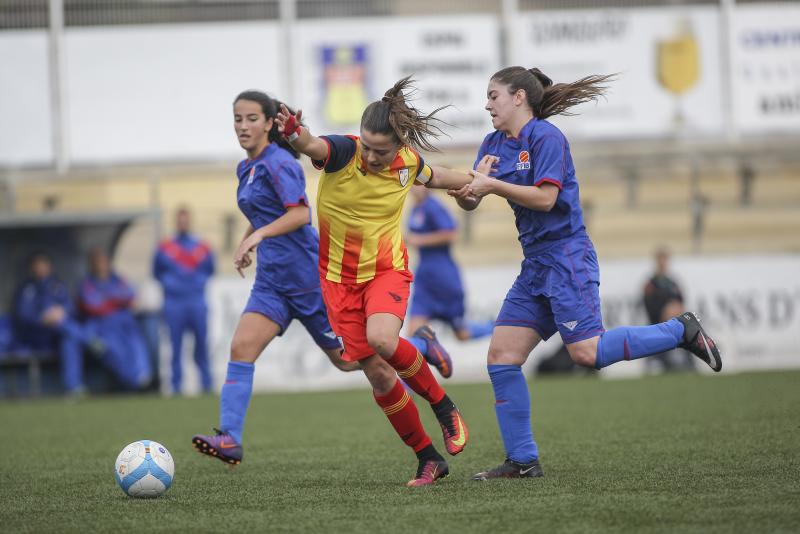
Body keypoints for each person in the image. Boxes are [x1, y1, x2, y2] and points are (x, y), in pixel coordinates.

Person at [448, 67, 722, 481]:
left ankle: (680, 331)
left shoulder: (547, 138)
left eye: (493, 95)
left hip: (566, 257)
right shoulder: (491, 143)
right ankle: (523, 462)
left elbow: (545, 199)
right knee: (502, 356)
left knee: (586, 354)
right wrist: (467, 194)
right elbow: (473, 197)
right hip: (535, 264)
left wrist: (489, 185)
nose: (486, 104)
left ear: (519, 97)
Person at [275, 76, 476, 486]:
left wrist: (481, 182)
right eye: (366, 145)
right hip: (337, 282)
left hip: (385, 271)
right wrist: (296, 133)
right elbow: (315, 145)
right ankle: (428, 458)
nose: (369, 155)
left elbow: (439, 177)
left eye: (379, 150)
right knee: (379, 374)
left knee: (384, 341)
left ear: (399, 146)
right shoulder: (345, 152)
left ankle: (443, 407)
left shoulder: (407, 164)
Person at [191, 90, 359, 467]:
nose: (243, 126)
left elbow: (299, 214)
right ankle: (230, 438)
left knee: (348, 361)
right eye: (237, 118)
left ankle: (420, 346)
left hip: (308, 278)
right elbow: (263, 210)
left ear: (269, 123)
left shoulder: (280, 162)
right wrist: (248, 239)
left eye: (252, 118)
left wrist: (258, 235)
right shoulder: (245, 168)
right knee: (241, 349)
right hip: (272, 284)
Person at [404, 185, 495, 370]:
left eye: (418, 184)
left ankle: (496, 327)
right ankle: (408, 390)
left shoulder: (434, 207)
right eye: (412, 184)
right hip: (424, 279)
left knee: (462, 334)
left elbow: (451, 233)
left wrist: (419, 240)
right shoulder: (414, 209)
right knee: (412, 337)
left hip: (444, 279)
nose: (415, 188)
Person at [11, 252, 103, 395]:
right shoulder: (27, 289)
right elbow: (23, 315)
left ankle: (73, 387)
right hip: (36, 334)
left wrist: (61, 312)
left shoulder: (57, 285)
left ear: (49, 267)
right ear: (32, 268)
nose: (41, 268)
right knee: (65, 327)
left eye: (44, 265)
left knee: (69, 340)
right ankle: (88, 339)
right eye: (38, 265)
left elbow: (70, 308)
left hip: (57, 333)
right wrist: (43, 318)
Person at [154, 206, 215, 393]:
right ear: (176, 222)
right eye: (180, 220)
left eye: (185, 219)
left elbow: (210, 270)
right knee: (175, 346)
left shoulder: (202, 247)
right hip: (174, 303)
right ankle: (176, 386)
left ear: (190, 221)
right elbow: (156, 272)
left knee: (202, 345)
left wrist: (196, 284)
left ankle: (206, 384)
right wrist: (171, 285)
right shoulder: (164, 248)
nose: (183, 223)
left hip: (196, 301)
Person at [78, 248, 153, 390]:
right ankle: (132, 383)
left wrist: (111, 300)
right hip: (101, 326)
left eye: (104, 261)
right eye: (98, 262)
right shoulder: (87, 284)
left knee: (136, 346)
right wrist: (116, 301)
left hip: (124, 322)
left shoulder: (118, 280)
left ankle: (143, 378)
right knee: (113, 351)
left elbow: (131, 297)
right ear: (92, 265)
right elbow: (94, 306)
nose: (102, 265)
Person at [642, 246, 695, 371]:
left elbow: (681, 302)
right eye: (660, 259)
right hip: (658, 325)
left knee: (690, 333)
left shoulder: (673, 283)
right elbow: (649, 306)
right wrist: (664, 313)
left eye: (665, 259)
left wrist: (676, 310)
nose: (663, 262)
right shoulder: (651, 284)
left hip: (675, 324)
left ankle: (691, 367)